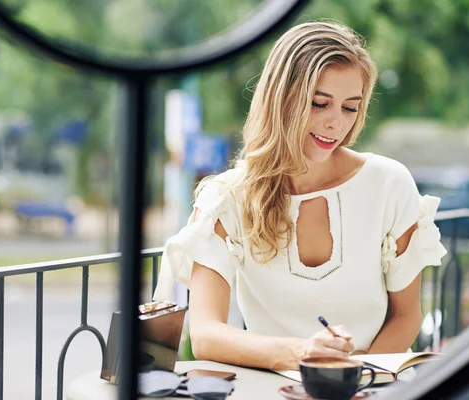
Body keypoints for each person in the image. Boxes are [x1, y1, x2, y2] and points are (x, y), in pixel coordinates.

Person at [153, 21, 447, 371]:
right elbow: (205, 335)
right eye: (319, 103)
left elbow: (406, 316)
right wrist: (301, 355)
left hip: (375, 387)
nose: (336, 123)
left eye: (350, 107)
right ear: (280, 99)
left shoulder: (389, 184)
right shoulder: (226, 199)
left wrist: (352, 380)